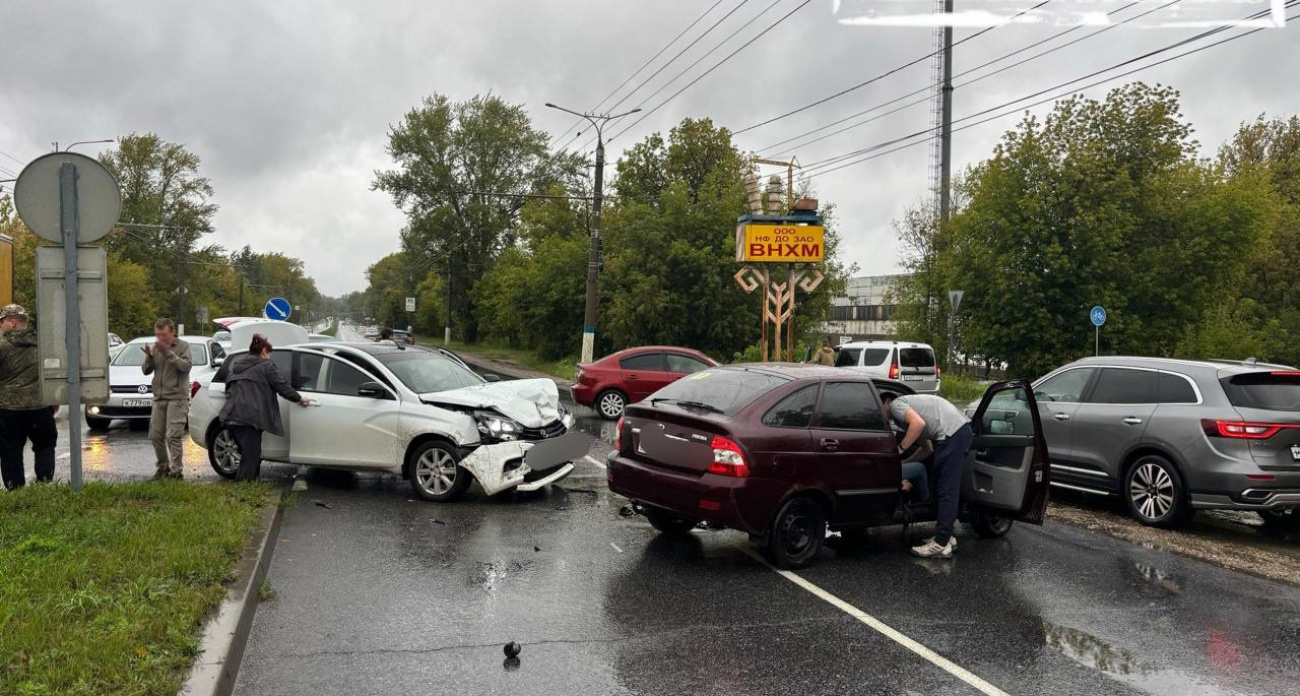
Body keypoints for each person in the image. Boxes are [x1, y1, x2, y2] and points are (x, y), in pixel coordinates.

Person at [881, 392, 973, 559]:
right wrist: (904, 462)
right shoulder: (907, 414)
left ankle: (941, 543)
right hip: (954, 433)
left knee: (947, 491)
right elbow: (927, 449)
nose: (879, 413)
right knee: (938, 486)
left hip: (954, 434)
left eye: (879, 407)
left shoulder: (896, 405)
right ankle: (947, 537)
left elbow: (918, 424)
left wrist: (899, 450)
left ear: (886, 401)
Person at [219, 334, 310, 481]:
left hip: (231, 417)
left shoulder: (236, 367)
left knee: (250, 455)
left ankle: (251, 486)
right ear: (263, 351)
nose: (269, 357)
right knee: (250, 458)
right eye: (269, 353)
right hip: (249, 418)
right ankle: (242, 493)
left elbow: (228, 387)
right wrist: (299, 398)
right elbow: (282, 386)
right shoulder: (266, 366)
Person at [0, 305, 58, 490]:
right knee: (45, 445)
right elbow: (53, 371)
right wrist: (53, 398)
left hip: (9, 410)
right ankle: (44, 484)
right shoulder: (42, 343)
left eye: (2, 322)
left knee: (11, 451)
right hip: (40, 407)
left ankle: (15, 489)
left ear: (12, 322)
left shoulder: (1, 345)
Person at [142, 318, 192, 480]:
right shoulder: (156, 347)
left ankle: (176, 471)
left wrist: (168, 353)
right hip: (159, 397)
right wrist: (149, 357)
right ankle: (162, 467)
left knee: (173, 436)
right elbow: (145, 371)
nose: (160, 338)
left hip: (177, 398)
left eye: (163, 334)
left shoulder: (183, 346)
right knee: (155, 436)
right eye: (157, 334)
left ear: (172, 332)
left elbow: (186, 367)